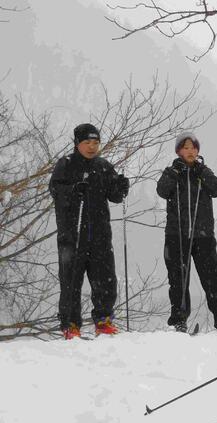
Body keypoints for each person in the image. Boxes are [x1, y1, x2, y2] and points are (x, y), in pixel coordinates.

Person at [49, 123, 129, 339]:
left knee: (105, 278)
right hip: (72, 234)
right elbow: (55, 189)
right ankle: (70, 324)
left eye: (96, 142)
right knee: (71, 280)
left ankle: (103, 320)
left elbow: (115, 196)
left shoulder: (103, 166)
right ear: (77, 143)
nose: (92, 146)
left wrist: (121, 187)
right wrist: (73, 190)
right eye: (87, 142)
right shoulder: (66, 164)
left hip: (100, 234)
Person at [156, 132, 217, 333]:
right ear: (179, 151)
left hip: (203, 234)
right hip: (177, 234)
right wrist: (175, 172)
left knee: (212, 277)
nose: (190, 151)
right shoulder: (172, 171)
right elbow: (162, 191)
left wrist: (203, 173)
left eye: (193, 147)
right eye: (186, 148)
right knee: (178, 279)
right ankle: (179, 319)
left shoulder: (204, 171)